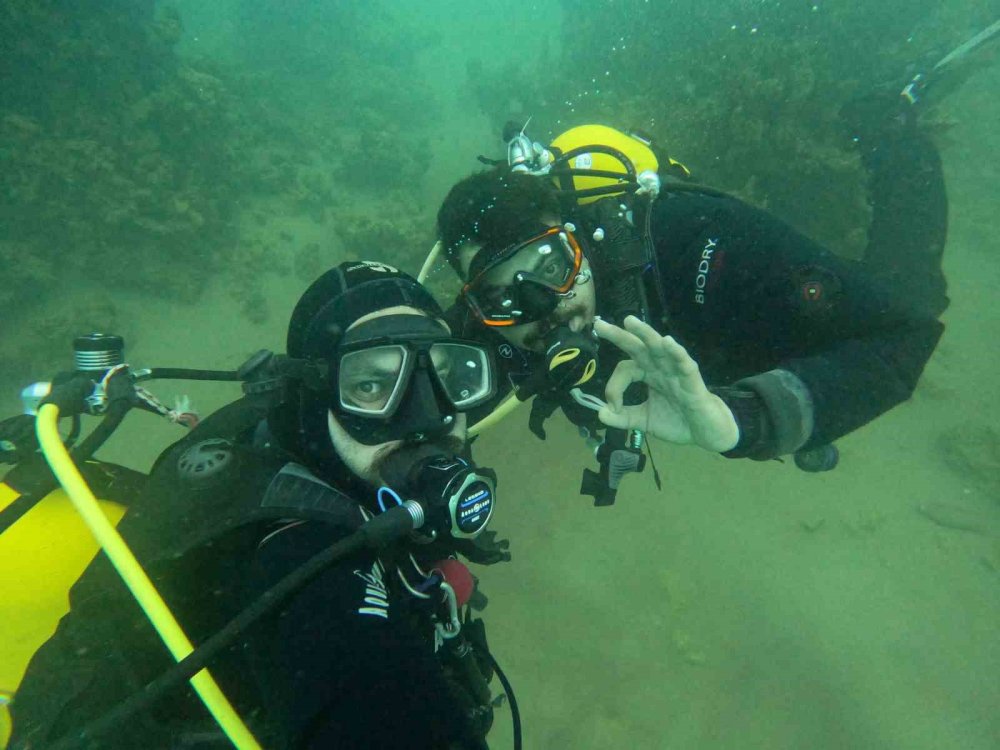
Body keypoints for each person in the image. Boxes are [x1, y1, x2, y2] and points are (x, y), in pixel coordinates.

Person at [8, 261, 509, 750]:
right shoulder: (298, 553)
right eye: (372, 384)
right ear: (316, 394)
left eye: (447, 376)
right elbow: (356, 670)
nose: (430, 416)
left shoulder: (309, 439)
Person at [432, 55, 980, 502]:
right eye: (502, 293)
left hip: (747, 312)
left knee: (913, 297)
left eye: (553, 264)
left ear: (576, 236)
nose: (542, 305)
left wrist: (750, 418)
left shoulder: (694, 242)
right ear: (476, 305)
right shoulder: (490, 327)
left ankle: (896, 127)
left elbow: (900, 339)